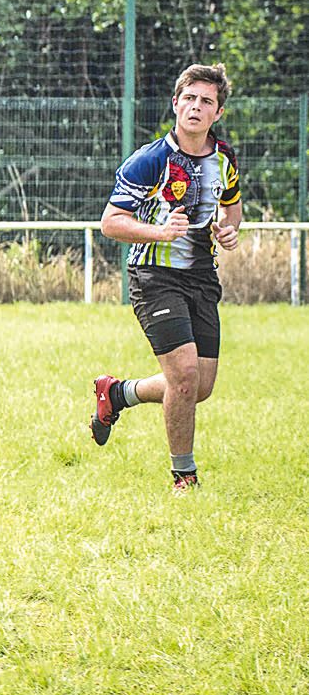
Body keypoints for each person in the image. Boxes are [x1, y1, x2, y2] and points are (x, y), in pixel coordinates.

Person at [89, 64, 243, 492]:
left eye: (206, 101)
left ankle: (118, 394)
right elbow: (110, 223)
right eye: (189, 98)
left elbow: (232, 207)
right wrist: (160, 232)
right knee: (184, 375)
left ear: (218, 113)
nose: (196, 107)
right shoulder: (151, 160)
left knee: (200, 386)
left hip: (201, 276)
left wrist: (229, 228)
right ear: (175, 104)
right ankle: (184, 476)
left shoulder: (224, 158)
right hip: (154, 275)